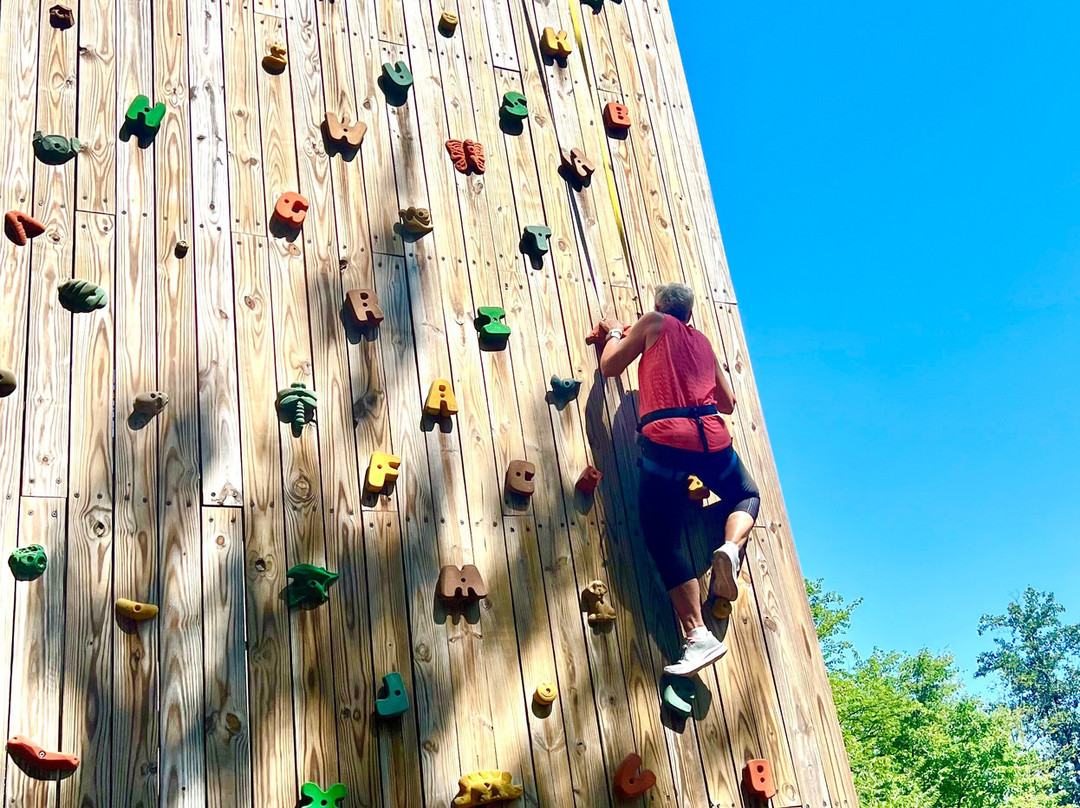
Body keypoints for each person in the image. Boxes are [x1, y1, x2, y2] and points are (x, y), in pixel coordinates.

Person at [597, 283, 761, 676]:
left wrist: (617, 332)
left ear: (658, 308)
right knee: (746, 494)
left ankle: (697, 635)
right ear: (690, 314)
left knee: (662, 539)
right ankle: (731, 547)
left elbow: (609, 366)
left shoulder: (653, 322)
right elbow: (728, 404)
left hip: (668, 443)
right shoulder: (703, 342)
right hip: (712, 440)